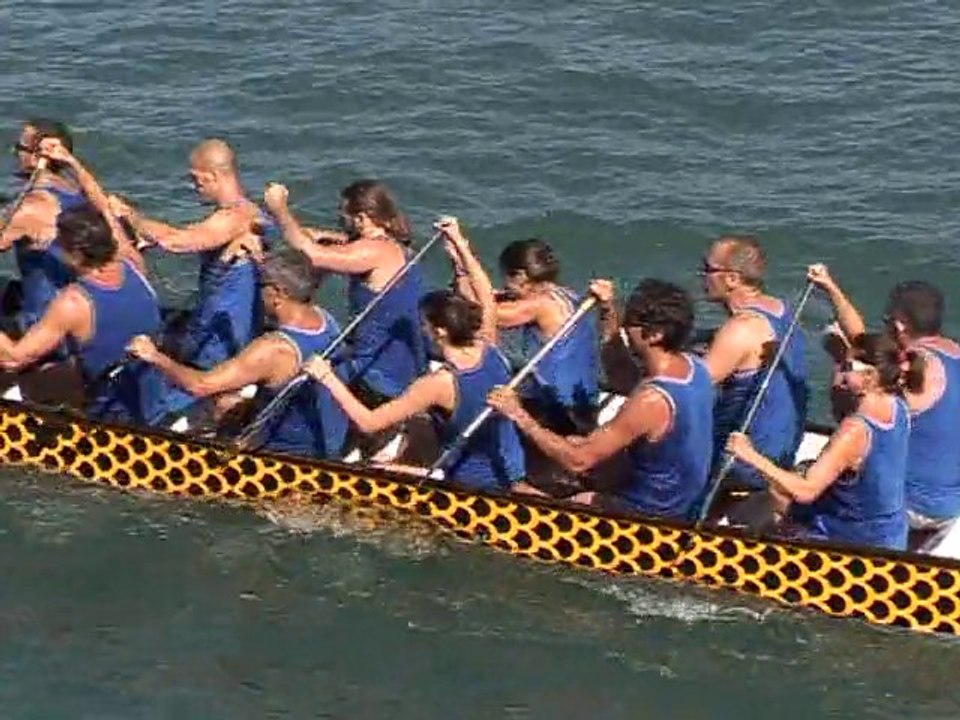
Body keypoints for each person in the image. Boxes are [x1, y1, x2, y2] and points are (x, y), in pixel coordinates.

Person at [304, 219, 525, 492]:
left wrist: (327, 377)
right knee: (418, 425)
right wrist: (458, 243)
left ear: (440, 332)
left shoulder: (438, 384)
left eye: (424, 324)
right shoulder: (488, 343)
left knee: (371, 470)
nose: (421, 328)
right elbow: (485, 294)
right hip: (510, 466)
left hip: (471, 485)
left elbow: (369, 422)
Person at [488, 278, 714, 520]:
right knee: (572, 442)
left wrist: (517, 414)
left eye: (630, 323)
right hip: (675, 491)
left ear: (655, 335)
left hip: (652, 512)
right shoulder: (695, 368)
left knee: (531, 489)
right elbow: (620, 373)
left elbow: (579, 462)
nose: (626, 329)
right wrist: (607, 311)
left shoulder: (651, 401)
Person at [127, 252, 349, 457]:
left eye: (260, 286)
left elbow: (199, 385)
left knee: (207, 399)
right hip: (327, 437)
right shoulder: (325, 320)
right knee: (225, 402)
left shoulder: (273, 349)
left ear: (278, 293)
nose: (257, 293)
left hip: (287, 452)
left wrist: (155, 356)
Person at [727, 333, 914, 551]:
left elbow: (806, 492)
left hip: (857, 540)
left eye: (847, 366)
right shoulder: (899, 406)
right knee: (800, 472)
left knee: (779, 491)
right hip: (892, 531)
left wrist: (749, 455)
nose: (840, 372)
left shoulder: (854, 431)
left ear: (870, 377)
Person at [809, 265, 960, 529]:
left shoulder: (918, 367)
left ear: (899, 326)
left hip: (911, 505)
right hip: (951, 500)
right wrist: (831, 288)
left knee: (805, 484)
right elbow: (862, 342)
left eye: (886, 321)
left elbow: (849, 410)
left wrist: (841, 362)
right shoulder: (951, 354)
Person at [0, 184, 160, 419]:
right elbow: (105, 210)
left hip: (112, 416)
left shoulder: (73, 302)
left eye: (59, 245)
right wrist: (71, 162)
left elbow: (13, 359)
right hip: (151, 393)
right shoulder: (132, 262)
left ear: (76, 256)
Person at [111, 139, 266, 373]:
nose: (194, 186)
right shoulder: (242, 212)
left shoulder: (236, 217)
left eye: (196, 178)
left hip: (222, 336)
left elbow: (179, 242)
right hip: (215, 318)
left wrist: (130, 216)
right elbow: (196, 232)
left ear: (213, 175)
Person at [264, 179, 426, 405]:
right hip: (406, 365)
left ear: (361, 219)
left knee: (291, 386)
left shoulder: (372, 251)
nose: (340, 220)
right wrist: (315, 235)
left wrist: (279, 209)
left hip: (375, 375)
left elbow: (314, 255)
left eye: (343, 215)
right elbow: (340, 244)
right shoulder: (397, 246)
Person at [701, 235, 808, 489]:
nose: (701, 276)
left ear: (732, 279)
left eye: (708, 269)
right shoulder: (782, 311)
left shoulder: (741, 329)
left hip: (741, 463)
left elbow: (687, 391)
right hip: (780, 456)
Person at [492, 238, 599, 433]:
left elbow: (488, 317)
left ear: (521, 276)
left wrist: (466, 269)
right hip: (585, 401)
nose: (505, 285)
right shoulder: (565, 294)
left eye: (506, 278)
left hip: (561, 409)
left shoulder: (540, 305)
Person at [0, 120, 87, 335]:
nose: (14, 152)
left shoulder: (30, 207)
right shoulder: (74, 190)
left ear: (39, 158)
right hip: (78, 310)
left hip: (42, 322)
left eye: (20, 148)